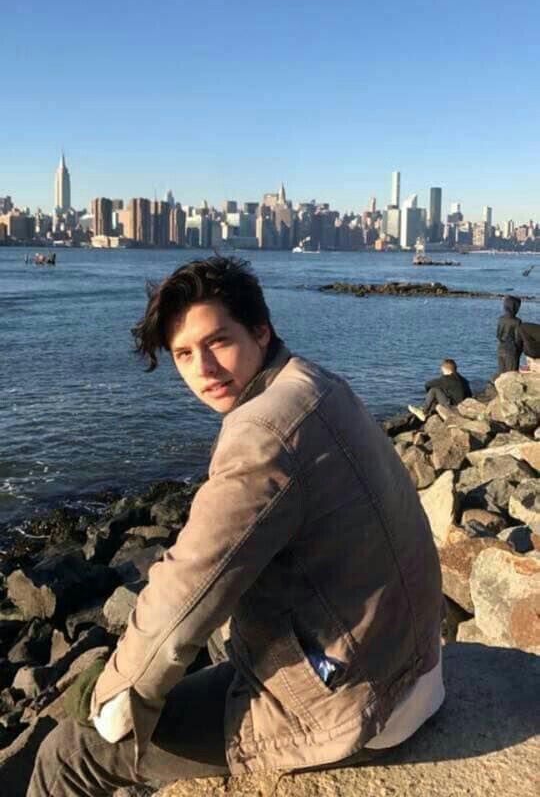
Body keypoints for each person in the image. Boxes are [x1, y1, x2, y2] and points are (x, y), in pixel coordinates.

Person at [28, 257, 444, 797]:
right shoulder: (315, 382)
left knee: (69, 754)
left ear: (260, 330)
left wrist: (113, 696)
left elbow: (187, 587)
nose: (202, 368)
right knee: (222, 641)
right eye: (183, 354)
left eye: (217, 342)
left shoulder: (263, 432)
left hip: (358, 707)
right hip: (413, 666)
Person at [408, 357, 472, 422]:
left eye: (442, 370)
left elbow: (427, 384)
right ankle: (429, 408)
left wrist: (429, 393)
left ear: (444, 369)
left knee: (434, 390)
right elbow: (469, 395)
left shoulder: (446, 379)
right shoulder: (464, 380)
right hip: (464, 407)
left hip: (454, 408)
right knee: (443, 391)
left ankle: (424, 411)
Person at [496, 295, 523, 375]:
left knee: (501, 373)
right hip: (512, 350)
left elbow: (498, 335)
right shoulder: (517, 321)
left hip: (501, 348)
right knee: (511, 374)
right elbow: (518, 339)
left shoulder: (500, 319)